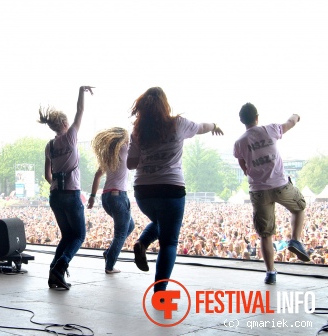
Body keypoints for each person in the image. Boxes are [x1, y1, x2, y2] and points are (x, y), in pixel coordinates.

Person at [126, 86, 223, 293]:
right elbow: (201, 127)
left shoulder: (137, 132)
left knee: (161, 223)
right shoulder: (178, 124)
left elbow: (130, 164)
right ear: (164, 104)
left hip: (143, 192)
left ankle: (142, 243)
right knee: (169, 242)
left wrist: (145, 153)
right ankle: (160, 292)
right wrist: (214, 124)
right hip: (170, 189)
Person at [233, 103, 310, 284]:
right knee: (299, 207)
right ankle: (295, 240)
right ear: (257, 117)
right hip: (280, 185)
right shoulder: (270, 130)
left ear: (242, 121)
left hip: (258, 191)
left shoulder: (239, 143)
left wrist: (250, 171)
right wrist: (296, 114)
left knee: (266, 234)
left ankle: (271, 273)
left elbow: (242, 164)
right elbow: (290, 123)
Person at [38, 85, 94, 289]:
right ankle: (60, 267)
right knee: (78, 235)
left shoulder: (49, 146)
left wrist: (55, 184)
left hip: (55, 195)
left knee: (66, 235)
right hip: (71, 192)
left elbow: (47, 175)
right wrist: (81, 91)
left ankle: (53, 273)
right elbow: (80, 111)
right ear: (63, 123)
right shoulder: (71, 136)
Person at [87, 127, 134, 274]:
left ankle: (109, 253)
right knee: (121, 233)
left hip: (106, 197)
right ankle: (109, 265)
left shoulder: (109, 156)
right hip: (119, 196)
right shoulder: (125, 149)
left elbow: (97, 176)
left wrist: (92, 197)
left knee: (130, 226)